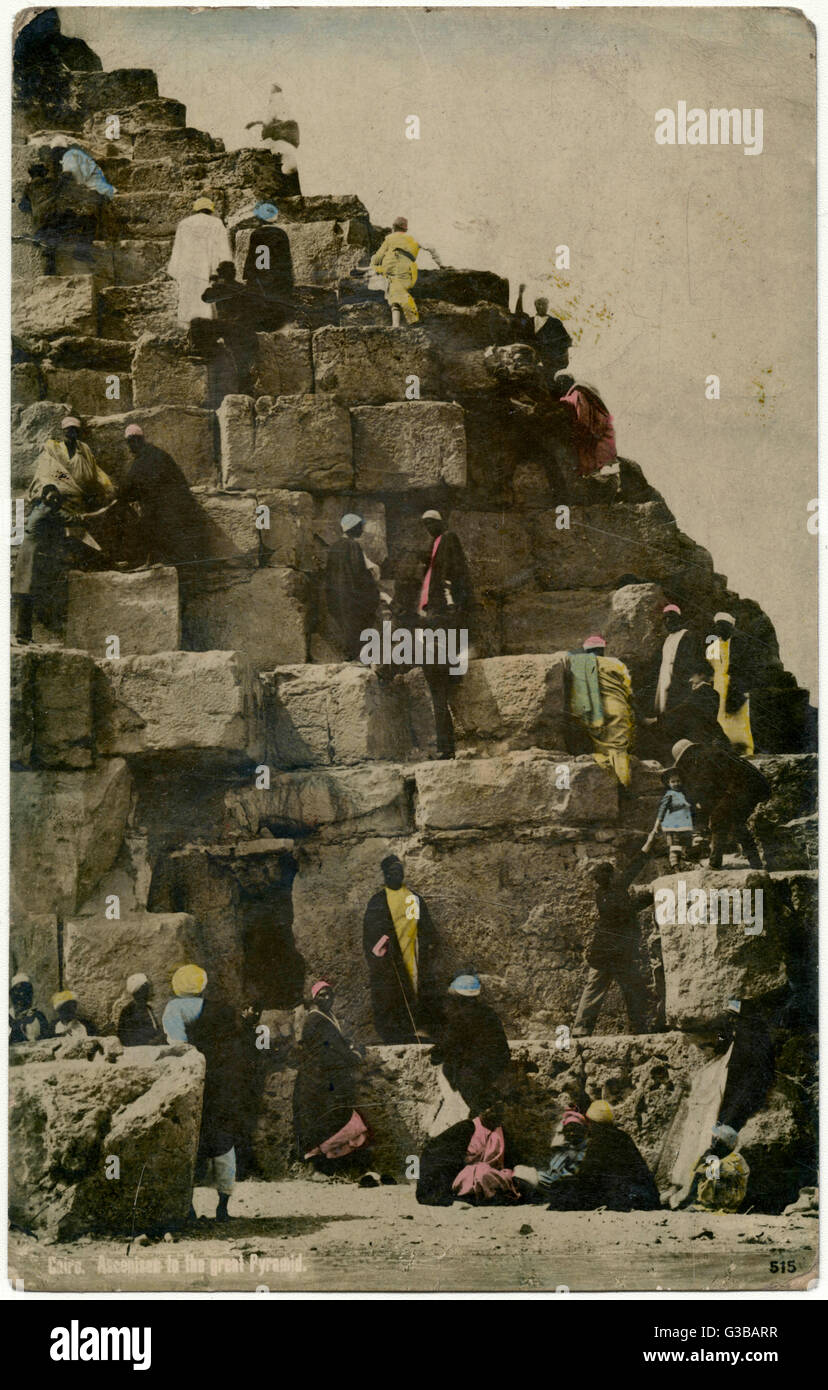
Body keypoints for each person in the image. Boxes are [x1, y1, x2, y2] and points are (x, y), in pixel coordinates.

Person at [162, 964, 241, 1222]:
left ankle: (189, 1207)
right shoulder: (222, 1010)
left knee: (188, 1145)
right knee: (223, 1144)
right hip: (221, 1085)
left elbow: (180, 1047)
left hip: (194, 1084)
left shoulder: (174, 1009)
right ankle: (223, 1207)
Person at [572, 836, 655, 1037]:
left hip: (604, 953)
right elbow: (628, 909)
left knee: (594, 989)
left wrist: (648, 844)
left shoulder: (605, 892)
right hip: (616, 954)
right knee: (633, 989)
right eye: (615, 872)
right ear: (610, 877)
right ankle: (638, 1028)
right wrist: (650, 896)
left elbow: (633, 868)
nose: (619, 873)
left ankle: (581, 1029)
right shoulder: (612, 894)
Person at [292, 982, 370, 1172]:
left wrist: (349, 1049)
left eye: (329, 994)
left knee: (335, 1118)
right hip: (317, 1080)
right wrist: (355, 1056)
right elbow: (328, 1050)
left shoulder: (327, 1017)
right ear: (314, 998)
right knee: (323, 1120)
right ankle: (317, 1167)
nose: (327, 998)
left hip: (327, 1079)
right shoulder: (315, 1020)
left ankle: (332, 1166)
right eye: (322, 995)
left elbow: (337, 1044)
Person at [362, 853, 439, 1043]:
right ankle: (395, 1033)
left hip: (412, 953)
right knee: (392, 991)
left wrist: (425, 946)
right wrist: (385, 948)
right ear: (385, 875)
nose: (396, 874)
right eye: (392, 871)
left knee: (416, 987)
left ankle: (416, 1029)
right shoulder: (378, 901)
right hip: (389, 958)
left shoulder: (412, 899)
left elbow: (419, 926)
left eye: (399, 870)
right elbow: (371, 934)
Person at [417, 509, 474, 759]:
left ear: (441, 523)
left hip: (445, 611)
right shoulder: (434, 543)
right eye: (425, 524)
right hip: (436, 613)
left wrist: (452, 603)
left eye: (432, 523)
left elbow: (453, 573)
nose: (429, 527)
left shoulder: (448, 539)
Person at [665, 739, 769, 870]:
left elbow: (710, 786)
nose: (687, 760)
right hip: (746, 789)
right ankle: (756, 863)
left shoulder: (710, 758)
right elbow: (711, 790)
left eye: (687, 756)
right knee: (736, 824)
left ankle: (715, 864)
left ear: (692, 751)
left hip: (747, 787)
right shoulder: (704, 760)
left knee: (717, 819)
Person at [117, 423, 210, 569]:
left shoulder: (141, 461)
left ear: (133, 441)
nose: (129, 448)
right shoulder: (159, 454)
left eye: (129, 443)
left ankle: (150, 561)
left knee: (143, 522)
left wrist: (117, 494)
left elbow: (128, 489)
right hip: (177, 507)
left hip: (165, 510)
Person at [543, 1100, 661, 1211]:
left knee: (560, 1189)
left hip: (622, 1195)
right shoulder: (623, 1136)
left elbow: (588, 1176)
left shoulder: (599, 1141)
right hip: (645, 1195)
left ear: (591, 1122)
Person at [429, 975, 511, 1117]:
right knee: (486, 1112)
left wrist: (435, 1055)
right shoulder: (489, 1013)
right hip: (496, 1068)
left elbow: (448, 1044)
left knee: (477, 1114)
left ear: (458, 997)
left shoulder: (459, 1017)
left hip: (473, 1072)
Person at [416, 1103, 520, 1206]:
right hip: (463, 1176)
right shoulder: (466, 1128)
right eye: (488, 1107)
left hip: (494, 1174)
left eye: (497, 1110)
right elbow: (440, 1155)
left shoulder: (500, 1133)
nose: (492, 1112)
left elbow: (508, 1161)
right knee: (483, 1173)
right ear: (480, 1110)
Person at [568, 634, 635, 787]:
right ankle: (623, 787)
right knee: (619, 752)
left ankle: (606, 788)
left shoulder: (579, 665)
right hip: (617, 710)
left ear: (586, 652)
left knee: (601, 752)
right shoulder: (616, 663)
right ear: (603, 649)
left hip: (594, 713)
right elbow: (629, 690)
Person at [12, 484, 73, 643]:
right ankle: (23, 636)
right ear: (45, 497)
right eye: (51, 497)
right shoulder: (47, 511)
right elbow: (72, 519)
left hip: (26, 557)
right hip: (31, 558)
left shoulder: (38, 508)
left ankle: (24, 636)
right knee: (28, 596)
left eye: (56, 498)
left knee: (26, 596)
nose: (53, 500)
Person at [167, 197, 233, 328]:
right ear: (210, 209)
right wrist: (224, 269)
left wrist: (176, 270)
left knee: (189, 299)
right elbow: (224, 248)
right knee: (207, 302)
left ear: (195, 209)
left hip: (188, 270)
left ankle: (189, 329)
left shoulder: (184, 223)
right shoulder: (216, 223)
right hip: (208, 270)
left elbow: (178, 249)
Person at [323, 513, 380, 661]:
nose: (362, 529)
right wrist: (371, 589)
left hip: (338, 595)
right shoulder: (353, 546)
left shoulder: (334, 547)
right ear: (353, 528)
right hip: (352, 595)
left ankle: (349, 657)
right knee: (356, 627)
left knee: (346, 627)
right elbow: (359, 572)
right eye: (360, 526)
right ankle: (356, 658)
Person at [369, 216, 442, 327]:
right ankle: (406, 321)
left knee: (395, 294)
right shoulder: (412, 238)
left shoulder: (389, 238)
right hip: (407, 269)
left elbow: (378, 257)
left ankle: (401, 323)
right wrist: (440, 264)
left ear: (393, 228)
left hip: (391, 268)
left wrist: (373, 264)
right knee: (399, 292)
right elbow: (431, 248)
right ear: (405, 230)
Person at [705, 612, 758, 756]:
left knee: (740, 719)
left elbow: (747, 667)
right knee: (721, 718)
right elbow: (710, 663)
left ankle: (746, 751)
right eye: (718, 626)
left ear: (731, 627)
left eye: (724, 626)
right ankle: (727, 752)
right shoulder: (712, 648)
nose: (721, 629)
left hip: (737, 686)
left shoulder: (740, 644)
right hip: (719, 686)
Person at [651, 605, 709, 734]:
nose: (667, 622)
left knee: (675, 707)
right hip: (664, 675)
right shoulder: (667, 639)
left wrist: (678, 680)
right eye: (665, 619)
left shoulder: (686, 635)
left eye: (670, 618)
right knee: (662, 707)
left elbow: (688, 661)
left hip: (678, 678)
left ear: (678, 619)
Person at [514, 1108, 590, 1200]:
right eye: (568, 1130)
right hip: (551, 1179)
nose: (572, 1133)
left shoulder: (586, 1148)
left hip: (566, 1182)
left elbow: (576, 1170)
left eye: (576, 1130)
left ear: (582, 1131)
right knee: (519, 1170)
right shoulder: (566, 1148)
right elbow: (552, 1169)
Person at [240, 202, 294, 329]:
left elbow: (251, 258)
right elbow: (285, 260)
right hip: (276, 276)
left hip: (260, 275)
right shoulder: (280, 233)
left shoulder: (256, 234)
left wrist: (248, 275)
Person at [686, 1123, 749, 1213]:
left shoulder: (734, 1159)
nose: (712, 1143)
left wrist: (705, 1163)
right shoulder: (718, 1156)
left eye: (716, 1140)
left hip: (726, 1205)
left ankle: (705, 1206)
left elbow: (710, 1173)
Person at [559, 378, 617, 475]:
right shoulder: (590, 395)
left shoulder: (578, 393)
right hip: (603, 435)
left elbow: (583, 418)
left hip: (592, 437)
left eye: (562, 381)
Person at [514, 286, 572, 381]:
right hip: (531, 359)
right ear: (535, 305)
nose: (541, 306)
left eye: (544, 304)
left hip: (550, 361)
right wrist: (520, 295)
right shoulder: (530, 321)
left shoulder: (555, 322)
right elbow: (522, 335)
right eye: (539, 304)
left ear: (547, 305)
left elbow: (566, 341)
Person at [652, 769, 695, 869]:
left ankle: (683, 865)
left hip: (684, 825)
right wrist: (657, 825)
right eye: (673, 782)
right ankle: (675, 866)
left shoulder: (683, 794)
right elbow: (662, 810)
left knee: (685, 844)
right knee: (675, 845)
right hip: (673, 826)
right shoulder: (669, 795)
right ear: (668, 783)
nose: (676, 784)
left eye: (678, 781)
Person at [116, 974, 163, 1047]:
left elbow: (156, 1030)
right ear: (141, 991)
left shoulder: (148, 1008)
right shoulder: (128, 1011)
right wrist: (147, 1042)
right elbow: (124, 1038)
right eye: (149, 988)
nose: (152, 991)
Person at [9, 973, 50, 1044]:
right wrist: (17, 1022)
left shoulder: (39, 1016)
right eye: (18, 991)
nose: (22, 994)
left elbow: (48, 1039)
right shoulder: (8, 1017)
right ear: (12, 995)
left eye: (26, 991)